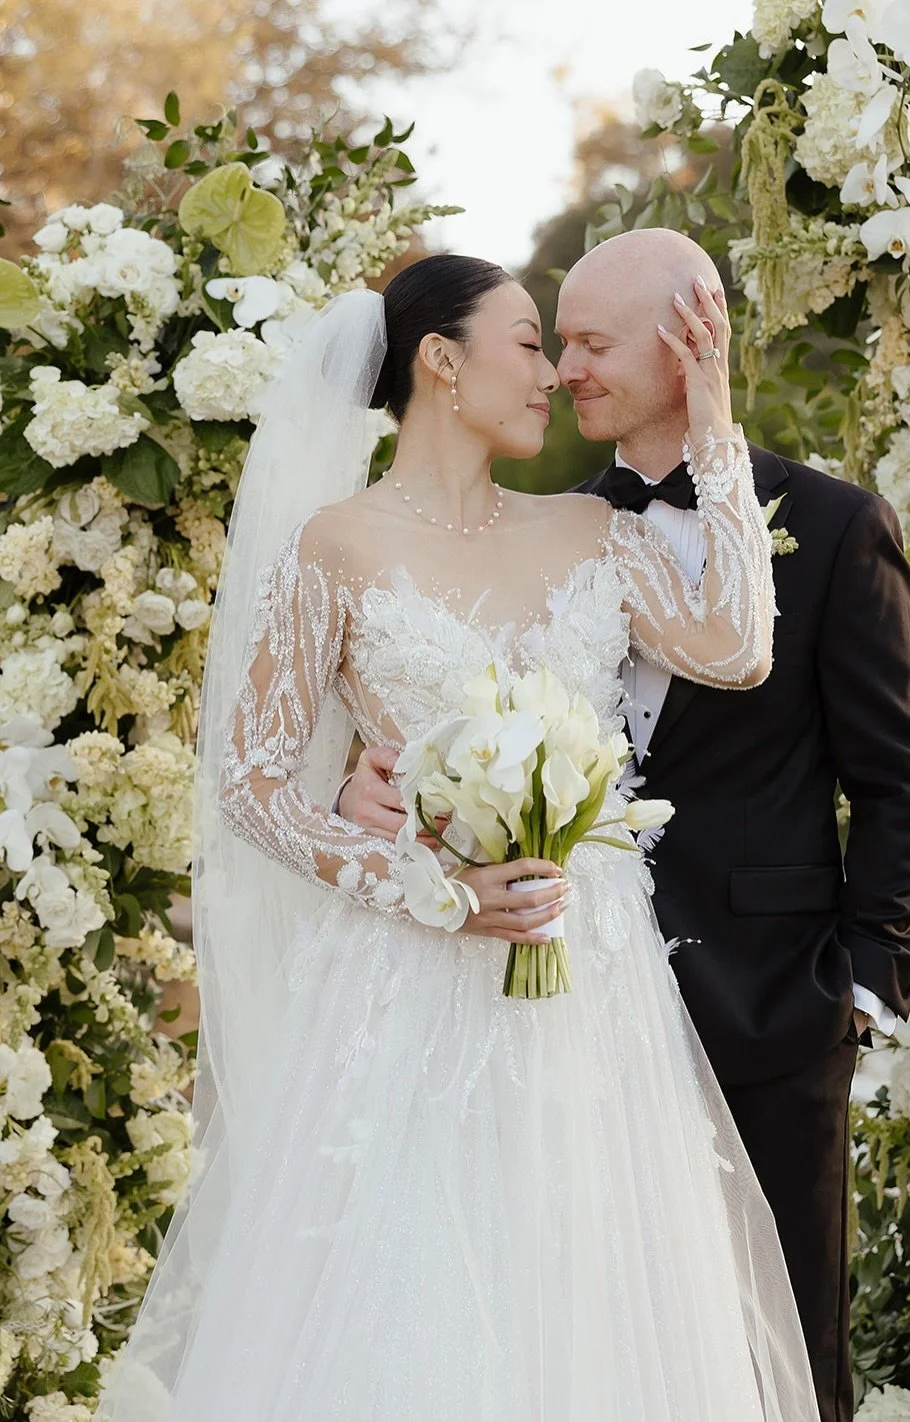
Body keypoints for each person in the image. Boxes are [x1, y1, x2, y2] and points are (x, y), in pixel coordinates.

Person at [94, 252, 822, 1421]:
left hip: (590, 984)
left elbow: (736, 646)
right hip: (404, 983)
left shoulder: (591, 530)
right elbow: (252, 784)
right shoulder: (334, 547)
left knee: (592, 1298)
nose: (551, 374)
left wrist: (715, 419)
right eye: (529, 343)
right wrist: (427, 890)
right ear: (440, 360)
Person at [339, 231, 910, 1422]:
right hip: (564, 1007)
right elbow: (452, 716)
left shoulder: (830, 525)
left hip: (774, 1005)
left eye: (589, 340)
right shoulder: (556, 531)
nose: (564, 369)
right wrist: (373, 788)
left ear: (691, 337)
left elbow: (899, 773)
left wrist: (868, 980)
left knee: (783, 1364)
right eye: (553, 340)